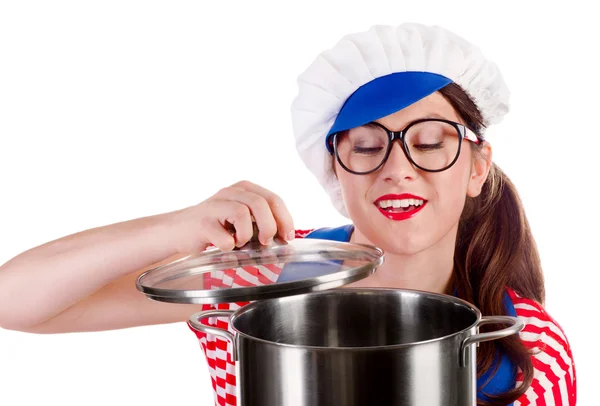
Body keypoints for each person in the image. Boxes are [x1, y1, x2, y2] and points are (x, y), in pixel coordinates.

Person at [0, 22, 575, 406]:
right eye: (368, 147)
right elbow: (14, 301)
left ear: (476, 168)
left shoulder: (529, 350)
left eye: (428, 143)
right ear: (336, 174)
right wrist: (172, 228)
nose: (398, 169)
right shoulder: (259, 276)